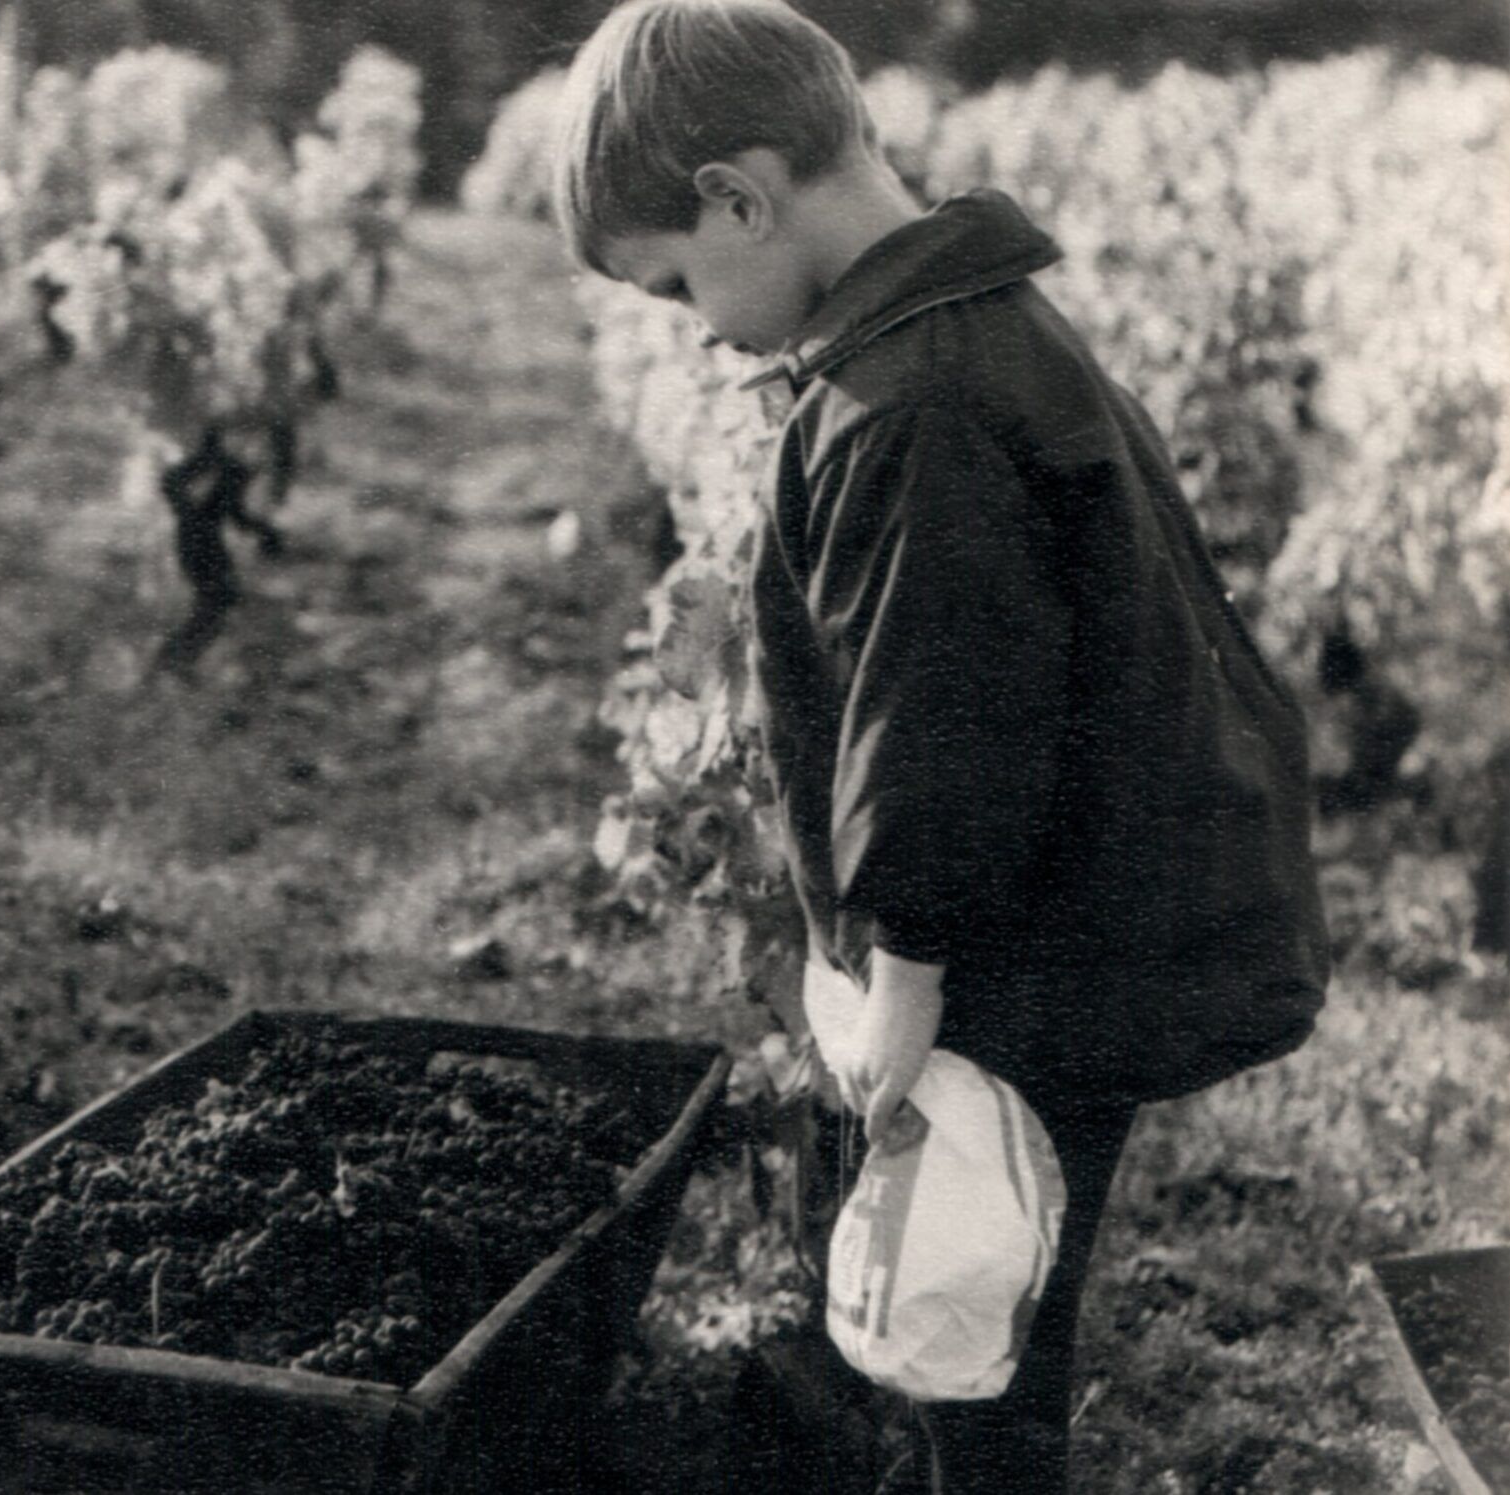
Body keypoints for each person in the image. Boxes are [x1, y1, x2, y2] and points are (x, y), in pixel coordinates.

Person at [549, 2, 1329, 1489]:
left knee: (978, 1321)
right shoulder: (965, 332)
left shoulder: (913, 404)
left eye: (676, 287)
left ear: (738, 195)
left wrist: (902, 958)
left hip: (1018, 955)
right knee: (975, 1293)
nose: (699, 330)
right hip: (1053, 922)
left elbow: (943, 704)